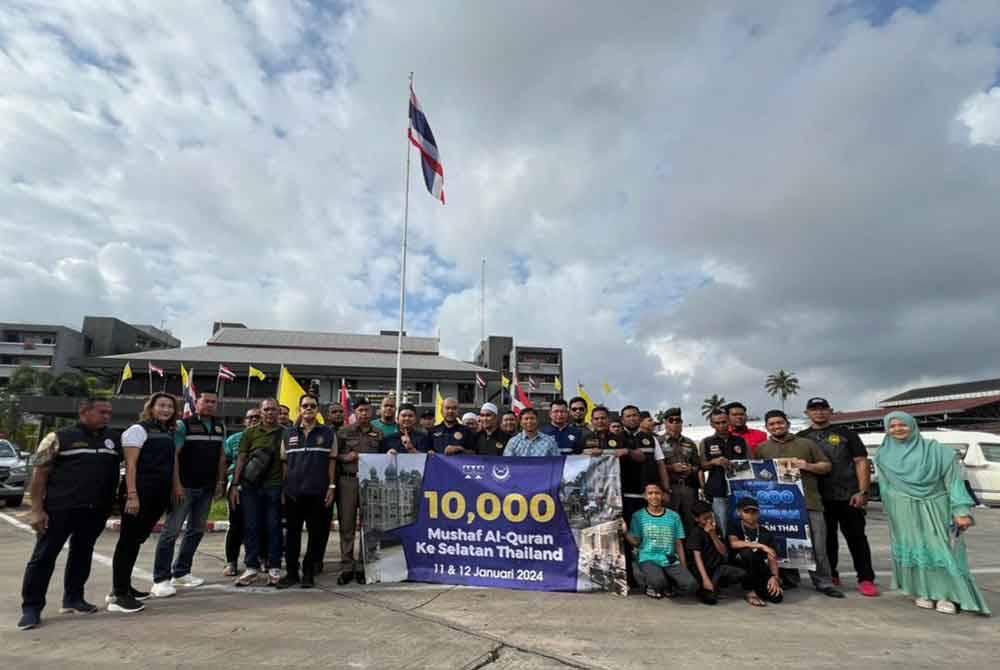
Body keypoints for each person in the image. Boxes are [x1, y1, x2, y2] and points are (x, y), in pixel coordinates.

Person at [18, 399, 120, 631]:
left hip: (95, 509)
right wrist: (36, 510)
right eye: (102, 412)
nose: (107, 416)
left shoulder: (113, 439)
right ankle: (32, 608)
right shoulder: (58, 437)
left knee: (82, 554)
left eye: (109, 413)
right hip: (59, 509)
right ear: (84, 412)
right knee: (43, 557)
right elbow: (40, 475)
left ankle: (73, 599)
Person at [876, 412, 990, 615]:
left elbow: (954, 482)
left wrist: (960, 510)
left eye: (903, 425)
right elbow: (885, 487)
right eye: (892, 426)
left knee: (943, 549)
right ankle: (923, 591)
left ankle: (950, 596)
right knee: (914, 548)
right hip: (902, 509)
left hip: (937, 505)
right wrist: (892, 510)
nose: (897, 429)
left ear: (913, 425)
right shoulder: (883, 455)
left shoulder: (937, 451)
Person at [797, 397, 879, 597]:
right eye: (814, 409)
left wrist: (863, 491)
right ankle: (831, 574)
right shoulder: (801, 437)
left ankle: (866, 578)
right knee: (826, 541)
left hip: (848, 495)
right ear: (807, 413)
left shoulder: (846, 434)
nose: (819, 412)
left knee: (857, 538)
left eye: (823, 409)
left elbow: (861, 462)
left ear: (831, 411)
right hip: (819, 498)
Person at [756, 410, 843, 598]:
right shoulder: (762, 448)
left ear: (787, 423)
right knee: (784, 544)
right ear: (767, 427)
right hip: (779, 506)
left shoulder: (806, 444)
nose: (776, 426)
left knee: (818, 546)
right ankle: (789, 579)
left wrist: (808, 466)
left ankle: (823, 582)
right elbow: (757, 474)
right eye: (772, 424)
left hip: (809, 503)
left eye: (780, 423)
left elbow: (826, 466)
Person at [108, 393, 181, 614]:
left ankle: (125, 586)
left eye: (170, 406)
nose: (166, 410)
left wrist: (176, 486)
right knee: (128, 542)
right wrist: (132, 495)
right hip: (139, 494)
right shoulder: (138, 430)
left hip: (158, 495)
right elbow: (130, 465)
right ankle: (118, 595)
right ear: (151, 407)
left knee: (136, 541)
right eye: (161, 405)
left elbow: (172, 462)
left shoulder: (168, 431)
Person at [150, 391, 227, 598]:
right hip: (185, 487)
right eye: (206, 401)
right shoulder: (184, 425)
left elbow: (221, 456)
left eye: (213, 402)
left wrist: (220, 482)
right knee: (171, 532)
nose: (210, 405)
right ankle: (161, 579)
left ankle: (181, 572)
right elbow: (174, 456)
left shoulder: (220, 426)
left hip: (207, 488)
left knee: (196, 530)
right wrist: (176, 485)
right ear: (196, 403)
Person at [277, 394, 337, 589]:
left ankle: (308, 572)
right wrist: (283, 489)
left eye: (312, 406)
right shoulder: (288, 434)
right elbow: (284, 465)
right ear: (299, 409)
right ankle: (292, 573)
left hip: (318, 492)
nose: (308, 408)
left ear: (317, 409)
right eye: (305, 406)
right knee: (292, 534)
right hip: (293, 493)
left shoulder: (328, 433)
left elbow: (332, 462)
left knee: (316, 534)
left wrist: (331, 486)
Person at [230, 398, 286, 587]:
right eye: (267, 410)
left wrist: (286, 487)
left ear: (279, 412)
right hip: (250, 487)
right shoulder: (250, 433)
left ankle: (274, 567)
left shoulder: (286, 433)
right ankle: (251, 567)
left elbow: (288, 463)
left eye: (274, 410)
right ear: (261, 412)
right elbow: (241, 458)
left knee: (274, 528)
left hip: (275, 486)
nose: (270, 413)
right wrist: (235, 485)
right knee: (251, 527)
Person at [335, 397, 383, 584]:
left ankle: (364, 566)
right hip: (348, 482)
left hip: (370, 483)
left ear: (372, 412)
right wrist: (345, 457)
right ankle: (347, 566)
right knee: (347, 526)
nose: (364, 413)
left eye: (367, 410)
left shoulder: (378, 434)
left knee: (368, 526)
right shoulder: (343, 432)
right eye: (360, 410)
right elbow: (333, 456)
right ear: (354, 412)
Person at [624, 482, 696, 599]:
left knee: (691, 585)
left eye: (657, 493)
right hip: (648, 558)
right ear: (645, 496)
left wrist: (683, 565)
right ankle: (652, 585)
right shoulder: (638, 516)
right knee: (658, 582)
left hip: (669, 558)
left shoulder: (674, 516)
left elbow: (678, 543)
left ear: (662, 495)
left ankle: (668, 585)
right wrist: (625, 532)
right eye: (650, 493)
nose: (654, 496)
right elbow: (636, 542)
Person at [222, 408, 261, 576]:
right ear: (245, 421)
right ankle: (231, 562)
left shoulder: (268, 438)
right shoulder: (233, 440)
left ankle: (258, 560)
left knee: (259, 526)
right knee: (236, 525)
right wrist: (225, 483)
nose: (254, 420)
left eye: (257, 417)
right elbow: (224, 462)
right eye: (250, 417)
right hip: (237, 487)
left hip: (261, 486)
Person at [728, 497, 784, 607]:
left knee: (777, 597)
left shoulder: (765, 532)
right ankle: (750, 592)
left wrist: (774, 578)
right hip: (738, 566)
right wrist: (760, 545)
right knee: (747, 553)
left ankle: (759, 588)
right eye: (746, 511)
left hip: (758, 568)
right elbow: (733, 543)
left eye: (754, 511)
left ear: (759, 513)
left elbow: (772, 556)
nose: (751, 515)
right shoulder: (734, 526)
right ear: (739, 512)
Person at [699, 410, 748, 535]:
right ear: (712, 424)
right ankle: (726, 553)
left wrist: (738, 465)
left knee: (743, 522)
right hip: (717, 490)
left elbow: (751, 462)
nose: (721, 425)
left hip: (740, 489)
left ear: (729, 421)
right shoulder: (706, 442)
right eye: (717, 423)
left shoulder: (741, 441)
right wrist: (713, 462)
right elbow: (702, 465)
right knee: (723, 525)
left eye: (724, 422)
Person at [688, 500, 745, 605]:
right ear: (696, 519)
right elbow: (697, 558)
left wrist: (713, 535)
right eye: (705, 518)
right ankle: (705, 587)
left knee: (741, 574)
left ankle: (716, 585)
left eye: (710, 516)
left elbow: (724, 552)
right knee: (710, 600)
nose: (709, 520)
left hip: (718, 568)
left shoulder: (716, 529)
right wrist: (705, 579)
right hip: (702, 570)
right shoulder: (695, 533)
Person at [654, 408, 702, 534]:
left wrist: (691, 469)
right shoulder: (658, 442)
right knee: (669, 523)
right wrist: (671, 468)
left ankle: (690, 552)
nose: (675, 423)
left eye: (678, 420)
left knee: (690, 523)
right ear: (665, 423)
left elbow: (698, 465)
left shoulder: (689, 443)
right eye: (671, 420)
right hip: (669, 488)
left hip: (688, 488)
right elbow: (654, 467)